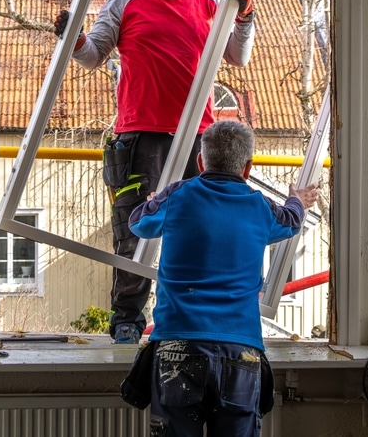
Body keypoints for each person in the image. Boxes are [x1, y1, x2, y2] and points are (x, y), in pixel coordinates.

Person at [53, 0, 258, 344]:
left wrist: (243, 15)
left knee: (201, 226)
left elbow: (238, 57)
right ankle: (127, 316)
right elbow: (92, 56)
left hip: (197, 138)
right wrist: (73, 40)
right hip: (140, 133)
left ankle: (194, 317)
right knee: (135, 226)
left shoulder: (207, 8)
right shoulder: (127, 1)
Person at [128, 120, 319, 436]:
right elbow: (291, 220)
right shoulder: (259, 206)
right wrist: (297, 198)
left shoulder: (178, 196)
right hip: (239, 351)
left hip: (178, 345)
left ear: (201, 161)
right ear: (247, 168)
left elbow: (138, 223)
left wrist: (154, 199)